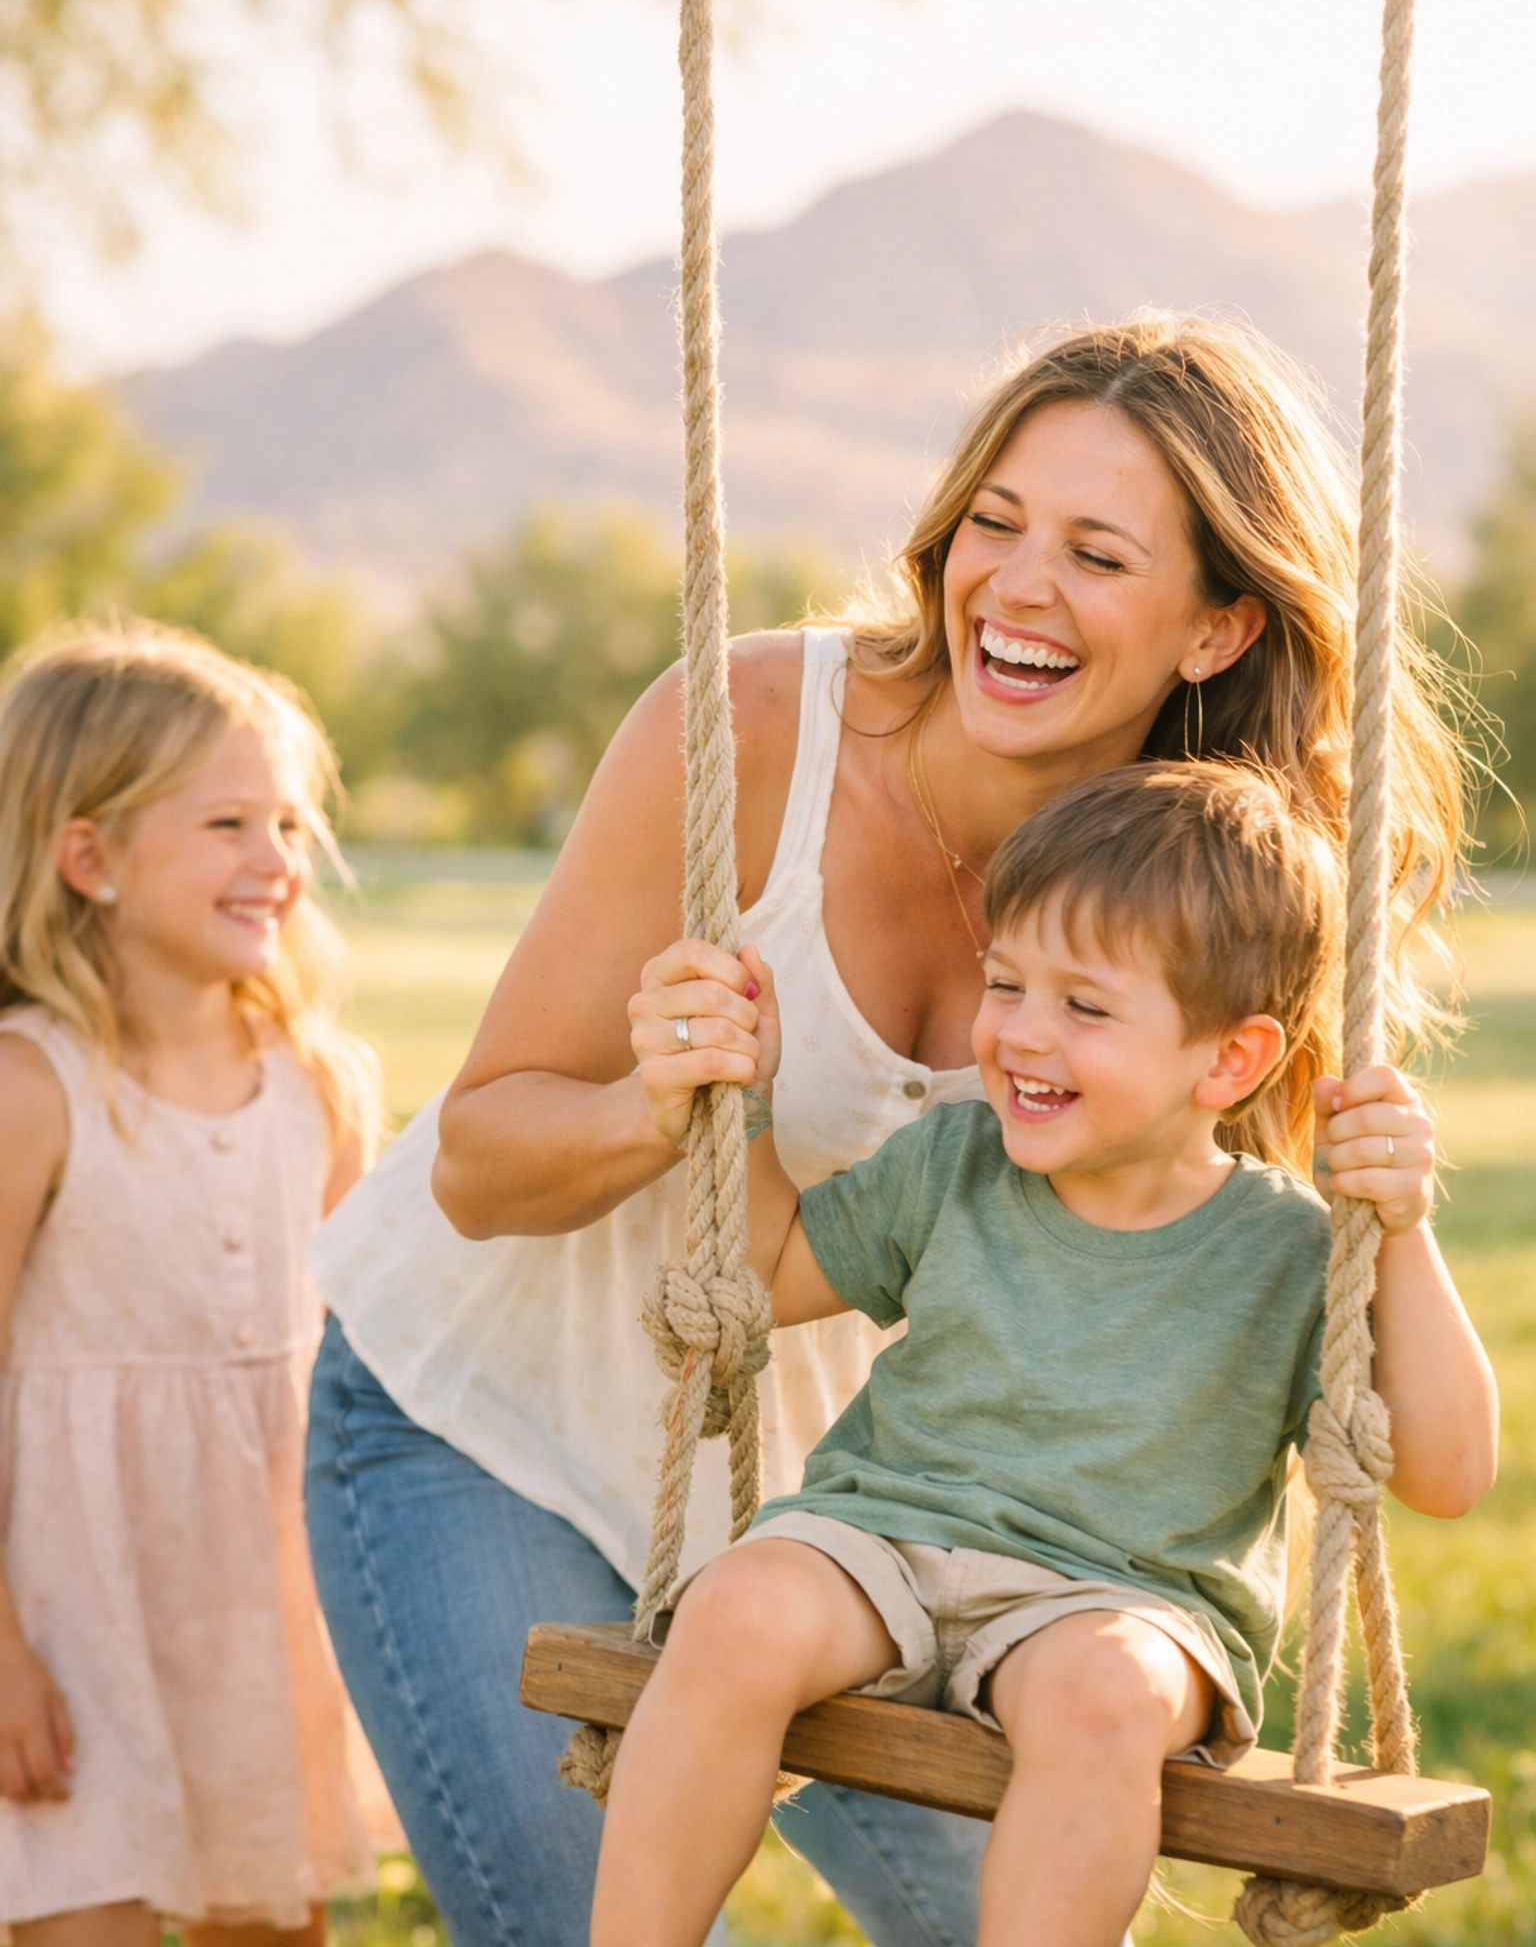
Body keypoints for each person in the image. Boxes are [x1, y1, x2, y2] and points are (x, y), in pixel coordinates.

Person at [307, 315, 1464, 1947]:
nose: (1016, 585)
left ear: (1215, 627)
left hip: (891, 1498)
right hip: (480, 1409)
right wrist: (663, 1107)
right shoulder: (753, 731)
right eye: (992, 520)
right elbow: (481, 1162)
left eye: (1095, 550)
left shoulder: (1202, 894)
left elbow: (1291, 1316)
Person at [594, 763, 1498, 1947]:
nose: (1020, 1031)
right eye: (1007, 982)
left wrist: (1400, 1229)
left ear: (1227, 1060)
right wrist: (743, 1109)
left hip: (1122, 1599)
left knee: (1099, 1695)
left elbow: (1449, 1470)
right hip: (885, 1540)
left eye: (1083, 1006)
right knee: (736, 1609)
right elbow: (759, 1281)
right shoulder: (952, 1164)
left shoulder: (1289, 1250)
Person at [0, 624, 380, 1947]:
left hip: (254, 1605)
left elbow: (367, 1370)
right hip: (63, 1620)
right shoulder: (31, 1090)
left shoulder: (318, 1087)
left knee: (269, 1925)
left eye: (285, 821)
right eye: (228, 823)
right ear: (89, 856)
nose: (278, 861)